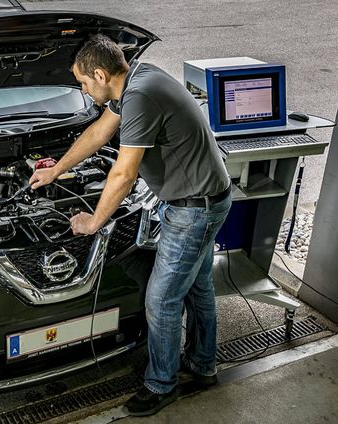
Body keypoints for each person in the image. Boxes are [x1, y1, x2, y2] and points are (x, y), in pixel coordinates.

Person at [29, 34, 231, 417]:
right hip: (204, 199)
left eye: (84, 83)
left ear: (102, 74)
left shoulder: (140, 96)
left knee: (162, 299)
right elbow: (99, 133)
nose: (83, 91)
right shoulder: (138, 78)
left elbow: (122, 174)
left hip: (193, 210)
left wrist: (93, 222)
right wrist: (57, 169)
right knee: (198, 287)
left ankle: (161, 384)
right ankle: (203, 365)